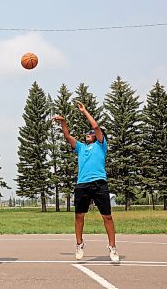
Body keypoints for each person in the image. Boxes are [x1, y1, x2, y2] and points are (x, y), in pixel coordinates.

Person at [52, 101, 119, 262]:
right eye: (87, 133)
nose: (88, 133)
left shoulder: (101, 145)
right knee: (79, 215)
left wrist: (84, 111)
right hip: (83, 184)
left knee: (107, 216)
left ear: (97, 136)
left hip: (99, 183)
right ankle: (79, 244)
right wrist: (63, 122)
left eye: (91, 133)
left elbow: (96, 127)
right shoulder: (81, 147)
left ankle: (112, 247)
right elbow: (67, 136)